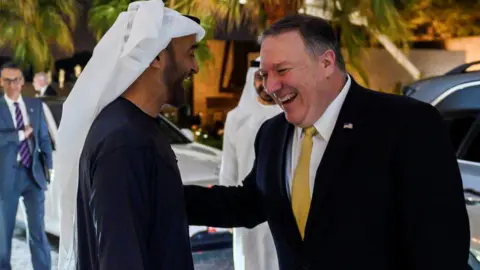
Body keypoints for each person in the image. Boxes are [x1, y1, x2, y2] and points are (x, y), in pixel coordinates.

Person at [184, 14, 470, 270]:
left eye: (282, 71)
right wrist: (158, 192)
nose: (270, 87)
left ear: (326, 63)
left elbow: (441, 246)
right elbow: (249, 203)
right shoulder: (271, 134)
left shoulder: (407, 124)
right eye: (265, 75)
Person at [51, 1, 205, 269]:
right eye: (190, 53)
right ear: (156, 56)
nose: (195, 67)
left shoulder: (133, 126)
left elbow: (159, 201)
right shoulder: (123, 141)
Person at [220, 57, 281, 270]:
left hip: (282, 207)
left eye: (269, 77)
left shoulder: (290, 116)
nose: (264, 84)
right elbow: (229, 167)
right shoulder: (236, 118)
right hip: (245, 206)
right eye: (259, 77)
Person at [0, 62, 53, 270]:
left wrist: (50, 166)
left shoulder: (35, 106)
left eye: (16, 80)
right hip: (6, 179)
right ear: (1, 82)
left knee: (38, 233)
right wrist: (20, 134)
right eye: (7, 80)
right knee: (4, 238)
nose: (12, 85)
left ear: (22, 82)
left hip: (33, 176)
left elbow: (44, 139)